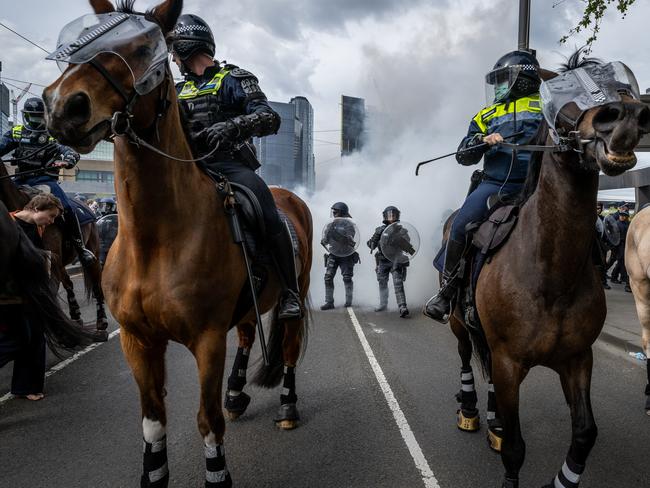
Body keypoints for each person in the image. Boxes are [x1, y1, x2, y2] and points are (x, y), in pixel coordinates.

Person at [169, 14, 301, 319]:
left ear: (187, 48)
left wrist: (230, 127)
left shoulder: (233, 78)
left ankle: (289, 292)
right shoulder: (176, 91)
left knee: (268, 212)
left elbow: (270, 118)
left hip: (229, 166)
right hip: (189, 168)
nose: (174, 60)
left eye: (175, 52)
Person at [423, 50, 544, 323]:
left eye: (503, 80)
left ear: (522, 78)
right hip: (495, 185)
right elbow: (463, 155)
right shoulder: (486, 114)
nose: (498, 87)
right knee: (459, 224)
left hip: (537, 184)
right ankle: (448, 290)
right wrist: (480, 139)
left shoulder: (547, 104)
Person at [0, 97, 95, 266]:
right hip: (21, 178)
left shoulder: (53, 135)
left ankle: (81, 248)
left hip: (46, 180)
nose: (36, 122)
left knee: (65, 207)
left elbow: (69, 151)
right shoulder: (16, 132)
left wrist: (68, 159)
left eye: (39, 117)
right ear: (25, 116)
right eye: (32, 117)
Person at [0, 194, 63, 401]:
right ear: (36, 208)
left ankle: (26, 387)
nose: (51, 221)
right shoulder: (7, 222)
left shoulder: (38, 227)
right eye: (50, 216)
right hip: (11, 294)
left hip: (30, 292)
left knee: (36, 337)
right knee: (18, 340)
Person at [368, 206, 410, 318]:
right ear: (385, 216)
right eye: (390, 215)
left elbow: (408, 246)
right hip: (382, 260)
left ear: (397, 216)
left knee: (398, 283)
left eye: (394, 215)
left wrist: (399, 239)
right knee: (382, 282)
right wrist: (373, 242)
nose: (392, 217)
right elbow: (371, 243)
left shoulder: (402, 230)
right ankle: (383, 304)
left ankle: (402, 306)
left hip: (396, 260)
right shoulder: (380, 230)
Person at [321, 202, 359, 310]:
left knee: (347, 278)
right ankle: (329, 302)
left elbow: (350, 238)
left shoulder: (349, 224)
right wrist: (324, 239)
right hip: (334, 253)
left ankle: (348, 301)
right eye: (333, 211)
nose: (334, 213)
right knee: (328, 277)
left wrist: (339, 234)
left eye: (336, 211)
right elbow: (326, 239)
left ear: (342, 212)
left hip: (346, 254)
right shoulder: (330, 225)